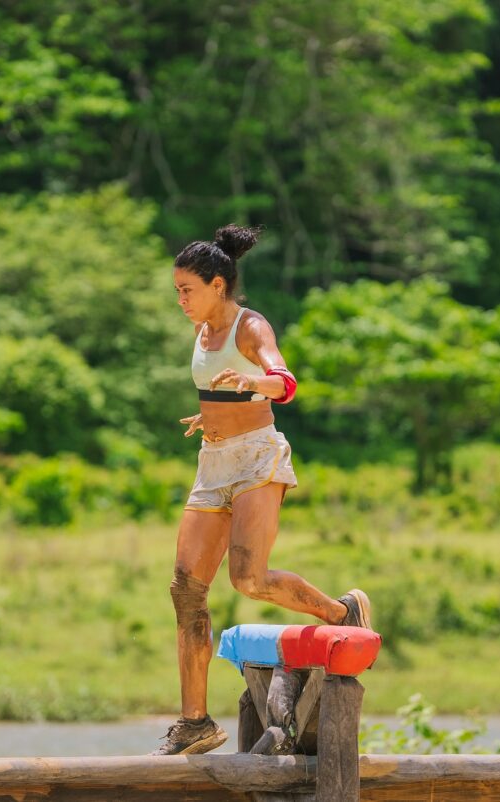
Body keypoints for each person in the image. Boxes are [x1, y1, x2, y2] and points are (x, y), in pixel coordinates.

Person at [150, 224, 371, 756]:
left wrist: (252, 382)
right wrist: (212, 416)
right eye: (177, 290)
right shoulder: (202, 332)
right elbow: (217, 389)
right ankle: (195, 722)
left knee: (248, 578)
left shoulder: (250, 327)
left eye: (187, 290)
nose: (181, 300)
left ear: (218, 285)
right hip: (213, 463)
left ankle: (341, 613)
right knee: (186, 589)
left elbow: (285, 383)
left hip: (257, 459)